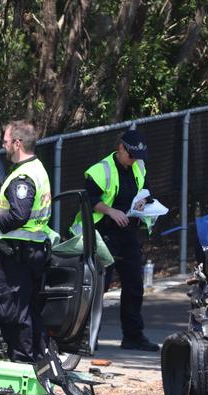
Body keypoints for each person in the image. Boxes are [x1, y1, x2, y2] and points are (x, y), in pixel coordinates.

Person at [75, 129, 159, 352]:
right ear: (121, 148)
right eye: (131, 156)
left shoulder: (138, 166)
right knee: (98, 286)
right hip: (104, 233)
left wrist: (143, 202)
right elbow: (89, 199)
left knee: (134, 284)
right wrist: (111, 211)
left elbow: (146, 189)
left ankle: (133, 336)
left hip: (129, 232)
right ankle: (87, 336)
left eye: (137, 157)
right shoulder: (101, 170)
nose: (134, 161)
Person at [0, 121, 52, 363]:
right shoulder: (36, 168)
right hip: (33, 249)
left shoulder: (24, 177)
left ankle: (23, 363)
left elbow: (19, 215)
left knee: (13, 310)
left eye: (6, 141)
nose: (3, 145)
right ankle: (40, 361)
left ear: (17, 144)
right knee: (28, 309)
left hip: (19, 253)